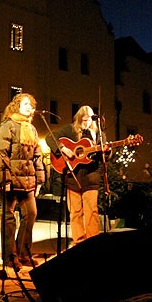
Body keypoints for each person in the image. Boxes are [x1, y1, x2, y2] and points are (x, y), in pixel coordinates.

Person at [0, 93, 45, 269]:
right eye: (26, 103)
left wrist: (39, 180)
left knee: (30, 214)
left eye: (32, 104)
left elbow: (37, 156)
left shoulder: (31, 128)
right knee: (8, 219)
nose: (30, 107)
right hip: (10, 180)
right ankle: (9, 256)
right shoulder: (8, 125)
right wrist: (4, 179)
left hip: (27, 181)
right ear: (16, 106)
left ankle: (23, 253)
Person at [46, 105, 110, 246]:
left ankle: (93, 242)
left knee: (92, 211)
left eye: (89, 120)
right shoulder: (69, 130)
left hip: (90, 178)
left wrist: (106, 151)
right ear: (78, 119)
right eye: (83, 120)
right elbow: (50, 137)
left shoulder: (99, 134)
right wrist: (63, 149)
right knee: (75, 212)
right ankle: (78, 242)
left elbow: (104, 157)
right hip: (72, 178)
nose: (86, 123)